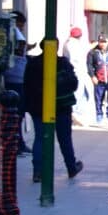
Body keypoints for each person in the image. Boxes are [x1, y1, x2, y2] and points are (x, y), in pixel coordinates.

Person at [23, 45, 83, 180]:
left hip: (38, 107)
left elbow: (26, 85)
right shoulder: (63, 62)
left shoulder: (33, 63)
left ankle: (38, 171)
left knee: (40, 137)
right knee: (64, 138)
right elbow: (73, 83)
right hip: (61, 106)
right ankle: (71, 167)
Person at [6, 10, 29, 155]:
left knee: (17, 114)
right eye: (21, 26)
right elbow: (19, 49)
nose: (21, 29)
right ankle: (16, 143)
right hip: (15, 79)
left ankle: (18, 142)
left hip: (16, 78)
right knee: (16, 114)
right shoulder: (14, 33)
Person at [86, 38, 108, 123]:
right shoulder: (93, 52)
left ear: (107, 42)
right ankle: (99, 114)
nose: (103, 44)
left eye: (104, 42)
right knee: (99, 98)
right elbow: (89, 65)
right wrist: (92, 76)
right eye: (101, 42)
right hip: (99, 79)